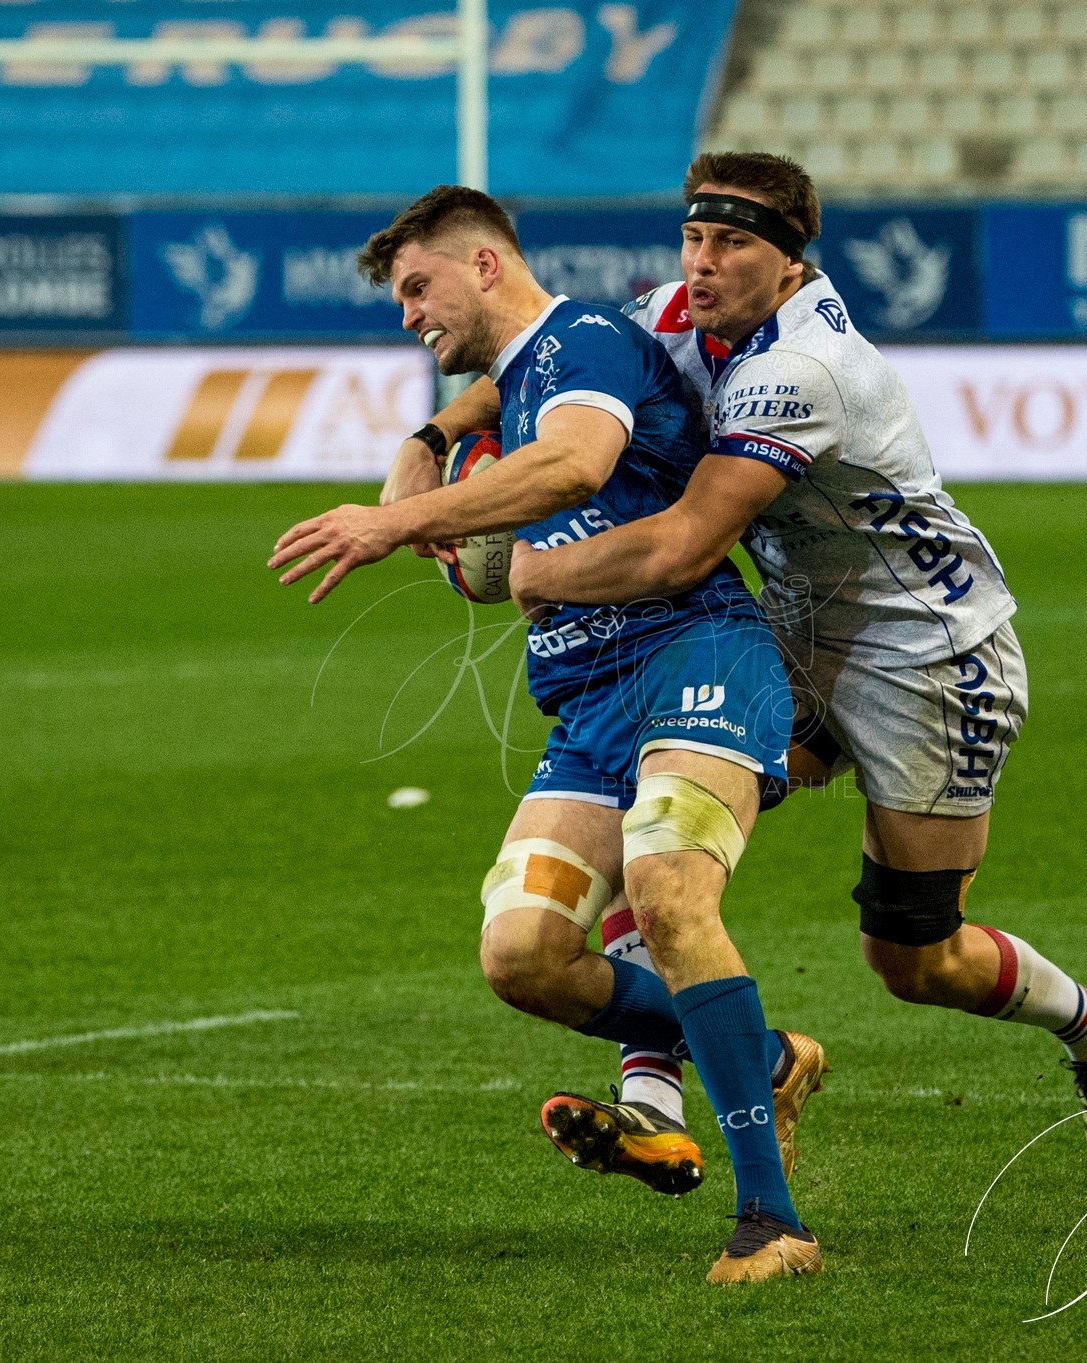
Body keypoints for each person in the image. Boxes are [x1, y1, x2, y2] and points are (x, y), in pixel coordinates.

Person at [421, 153, 1087, 1195]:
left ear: (789, 257)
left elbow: (679, 547)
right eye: (693, 236)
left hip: (925, 654)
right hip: (797, 630)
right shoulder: (672, 310)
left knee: (913, 958)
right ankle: (655, 1102)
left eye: (732, 243)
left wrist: (520, 570)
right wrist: (438, 431)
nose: (703, 262)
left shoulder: (803, 368)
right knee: (659, 836)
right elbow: (545, 372)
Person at [268, 186, 827, 1283]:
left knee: (668, 893)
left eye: (416, 288)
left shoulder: (579, 340)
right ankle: (762, 1057)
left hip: (692, 658)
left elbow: (573, 464)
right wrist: (429, 439)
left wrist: (395, 519)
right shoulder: (519, 376)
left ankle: (772, 1219)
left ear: (483, 267)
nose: (405, 316)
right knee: (519, 955)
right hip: (584, 697)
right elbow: (520, 504)